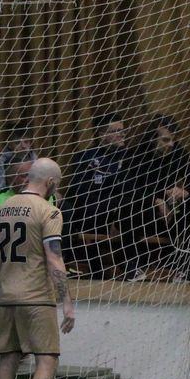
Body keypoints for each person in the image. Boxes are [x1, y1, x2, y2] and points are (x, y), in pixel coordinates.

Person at [0, 158, 73, 379]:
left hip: (6, 295)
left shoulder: (4, 207)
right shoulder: (49, 211)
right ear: (50, 183)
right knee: (47, 360)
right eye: (57, 184)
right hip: (37, 297)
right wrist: (67, 302)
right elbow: (54, 258)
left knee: (8, 360)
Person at [124, 115, 190, 280]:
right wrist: (155, 200)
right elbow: (128, 190)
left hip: (173, 215)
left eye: (173, 140)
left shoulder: (180, 154)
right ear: (152, 139)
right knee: (128, 208)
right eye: (166, 140)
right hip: (144, 213)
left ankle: (184, 267)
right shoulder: (135, 156)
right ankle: (132, 266)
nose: (171, 144)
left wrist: (183, 192)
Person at [69, 114, 128, 266]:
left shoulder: (131, 157)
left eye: (123, 130)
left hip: (122, 211)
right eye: (116, 131)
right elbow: (80, 192)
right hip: (95, 211)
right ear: (102, 135)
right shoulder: (86, 157)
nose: (122, 134)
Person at [0, 124, 36, 194]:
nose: (23, 146)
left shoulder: (33, 158)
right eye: (17, 143)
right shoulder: (1, 162)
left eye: (26, 142)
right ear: (9, 144)